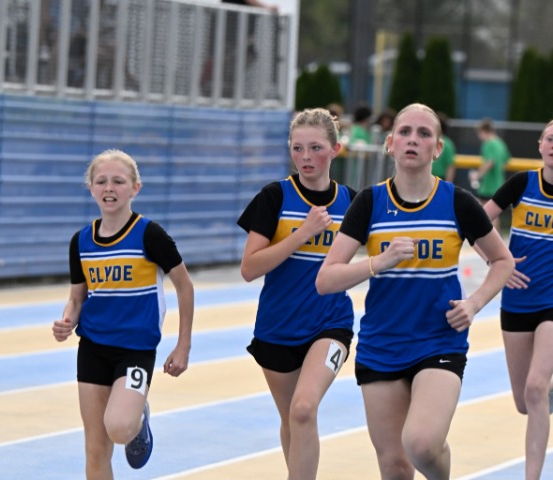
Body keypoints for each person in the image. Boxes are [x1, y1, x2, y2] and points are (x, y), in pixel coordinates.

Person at [316, 103, 514, 480]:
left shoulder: (456, 202)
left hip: (439, 340)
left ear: (437, 149)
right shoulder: (369, 203)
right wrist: (379, 261)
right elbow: (326, 280)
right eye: (405, 132)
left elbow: (502, 261)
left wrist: (474, 303)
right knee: (394, 467)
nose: (413, 140)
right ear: (390, 143)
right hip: (382, 345)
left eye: (424, 134)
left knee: (422, 444)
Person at [52, 149, 194, 479]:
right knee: (95, 449)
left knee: (118, 428)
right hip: (93, 348)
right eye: (101, 181)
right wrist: (67, 320)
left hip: (135, 349)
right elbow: (76, 297)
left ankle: (138, 418)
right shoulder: (81, 241)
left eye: (118, 181)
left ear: (135, 188)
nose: (109, 188)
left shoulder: (150, 235)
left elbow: (185, 287)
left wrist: (183, 345)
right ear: (91, 188)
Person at [237, 107, 356, 479]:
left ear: (335, 150)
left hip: (330, 324)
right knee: (292, 418)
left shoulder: (352, 202)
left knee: (304, 409)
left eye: (315, 148)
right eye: (297, 148)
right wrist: (302, 233)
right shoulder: (275, 197)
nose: (306, 157)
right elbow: (249, 268)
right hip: (278, 327)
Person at [478, 120, 553, 480]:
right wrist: (496, 263)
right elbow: (476, 223)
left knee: (536, 389)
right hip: (518, 301)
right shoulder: (522, 184)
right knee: (525, 402)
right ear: (540, 145)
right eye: (551, 139)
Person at [469, 118, 511, 229]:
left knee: (487, 213)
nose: (479, 136)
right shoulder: (501, 143)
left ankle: (489, 236)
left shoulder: (488, 144)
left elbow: (490, 162)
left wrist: (477, 175)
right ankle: (495, 236)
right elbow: (506, 160)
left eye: (479, 133)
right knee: (494, 213)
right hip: (499, 183)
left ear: (484, 131)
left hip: (489, 186)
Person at [431, 112, 457, 183]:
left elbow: (450, 166)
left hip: (440, 179)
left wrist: (448, 183)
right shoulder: (429, 141)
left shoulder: (447, 144)